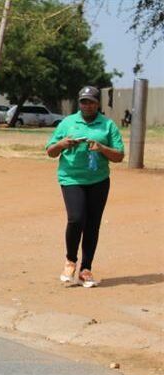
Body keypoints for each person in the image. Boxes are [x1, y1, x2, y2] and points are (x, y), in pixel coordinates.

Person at [45, 86, 124, 287]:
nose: (87, 105)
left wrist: (102, 148)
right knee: (76, 218)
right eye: (83, 101)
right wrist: (62, 144)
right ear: (79, 103)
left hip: (98, 181)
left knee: (92, 224)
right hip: (71, 178)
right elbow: (51, 151)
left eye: (91, 102)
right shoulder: (67, 123)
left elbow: (119, 156)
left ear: (98, 104)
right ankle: (71, 260)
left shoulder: (107, 125)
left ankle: (86, 269)